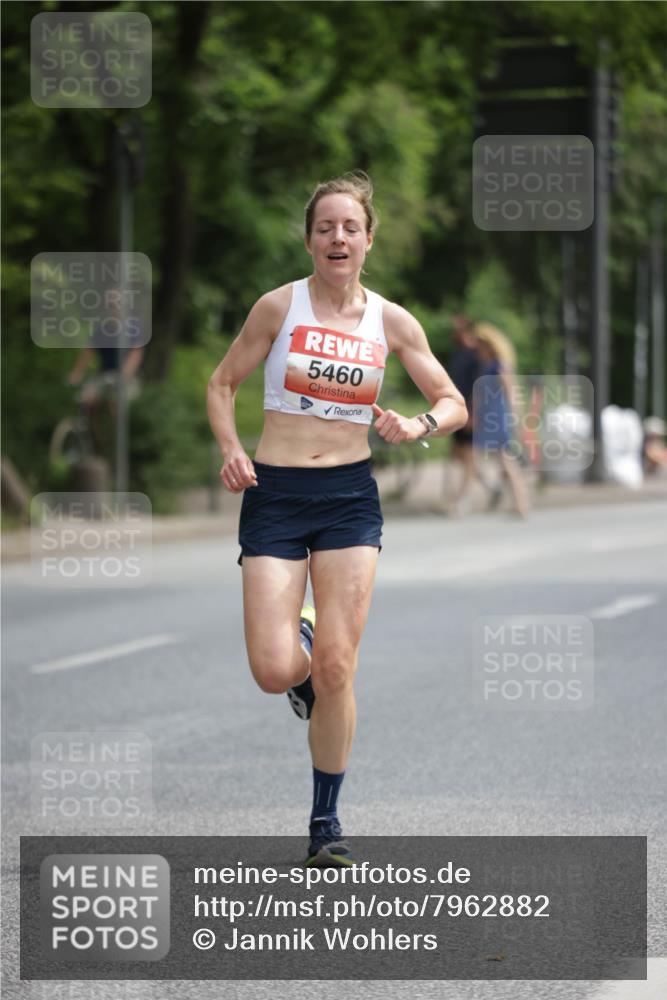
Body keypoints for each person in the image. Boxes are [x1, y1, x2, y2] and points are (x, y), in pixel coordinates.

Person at [206, 171, 467, 866]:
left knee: (338, 667)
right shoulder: (278, 307)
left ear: (368, 240)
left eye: (350, 227)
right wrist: (231, 449)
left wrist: (417, 424)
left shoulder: (391, 321)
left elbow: (452, 402)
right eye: (325, 228)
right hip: (276, 494)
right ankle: (302, 648)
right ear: (309, 241)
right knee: (273, 669)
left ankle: (326, 824)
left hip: (349, 497)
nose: (337, 237)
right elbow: (222, 382)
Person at [67, 294, 143, 454]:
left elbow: (136, 354)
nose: (113, 308)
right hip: (104, 376)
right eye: (110, 305)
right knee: (85, 400)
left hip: (125, 378)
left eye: (115, 304)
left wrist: (124, 374)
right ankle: (92, 441)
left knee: (116, 402)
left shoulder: (132, 328)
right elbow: (87, 354)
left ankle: (118, 443)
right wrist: (76, 373)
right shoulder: (101, 330)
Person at [472, 322, 529, 518]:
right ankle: (516, 502)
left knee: (506, 462)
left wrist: (516, 417)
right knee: (501, 463)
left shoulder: (499, 366)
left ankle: (521, 504)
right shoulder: (486, 366)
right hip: (488, 418)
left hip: (498, 418)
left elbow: (511, 391)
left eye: (481, 345)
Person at [445, 315, 501, 514]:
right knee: (459, 455)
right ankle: (491, 487)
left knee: (468, 457)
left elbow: (479, 387)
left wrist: (474, 413)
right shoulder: (458, 353)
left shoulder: (476, 355)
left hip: (469, 411)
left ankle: (462, 501)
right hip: (455, 409)